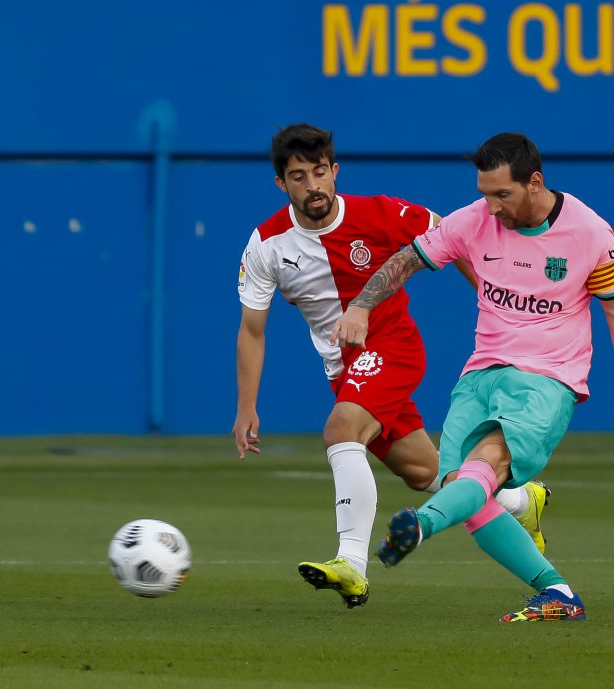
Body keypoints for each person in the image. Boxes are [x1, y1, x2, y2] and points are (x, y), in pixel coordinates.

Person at [331, 132, 614, 622]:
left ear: (535, 183)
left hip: (547, 379)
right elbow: (406, 259)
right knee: (464, 493)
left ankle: (420, 526)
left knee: (481, 469)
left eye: (502, 194)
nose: (491, 207)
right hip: (481, 374)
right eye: (484, 193)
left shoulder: (589, 232)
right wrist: (361, 306)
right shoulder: (473, 220)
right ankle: (558, 593)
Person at [233, 123, 551, 609]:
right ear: (282, 183)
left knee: (341, 430)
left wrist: (494, 301)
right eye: (299, 176)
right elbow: (252, 329)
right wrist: (246, 407)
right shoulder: (267, 244)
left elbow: (456, 237)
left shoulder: (380, 214)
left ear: (335, 171)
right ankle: (521, 500)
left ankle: (351, 565)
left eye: (321, 172)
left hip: (392, 345)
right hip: (344, 370)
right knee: (430, 473)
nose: (313, 185)